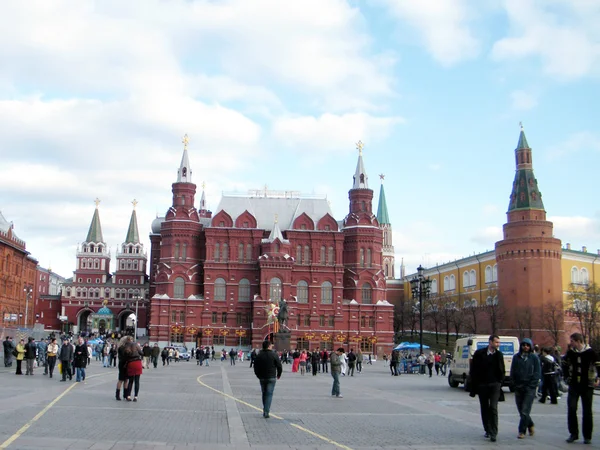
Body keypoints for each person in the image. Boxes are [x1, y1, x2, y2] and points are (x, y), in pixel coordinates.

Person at [564, 332, 600, 444]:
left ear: (578, 341)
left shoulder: (590, 352)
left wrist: (598, 378)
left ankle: (587, 436)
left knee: (587, 410)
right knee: (571, 408)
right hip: (574, 385)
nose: (571, 343)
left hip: (587, 385)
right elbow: (564, 364)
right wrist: (566, 377)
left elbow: (598, 365)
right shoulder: (570, 353)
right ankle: (573, 433)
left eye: (572, 341)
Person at [469, 335, 505, 443]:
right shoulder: (479, 354)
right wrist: (475, 384)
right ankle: (487, 429)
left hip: (495, 385)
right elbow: (474, 369)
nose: (498, 344)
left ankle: (494, 432)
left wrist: (500, 382)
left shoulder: (499, 355)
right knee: (484, 407)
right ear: (490, 342)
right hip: (482, 385)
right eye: (496, 342)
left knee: (493, 407)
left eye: (499, 342)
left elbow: (502, 369)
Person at [510, 338, 540, 439]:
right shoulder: (516, 357)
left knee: (525, 410)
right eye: (523, 345)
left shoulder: (534, 358)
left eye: (527, 345)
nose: (525, 347)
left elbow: (537, 372)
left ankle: (521, 431)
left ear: (530, 346)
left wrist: (532, 385)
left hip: (529, 388)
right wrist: (514, 383)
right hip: (519, 387)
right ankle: (530, 424)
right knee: (521, 410)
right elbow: (513, 371)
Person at [253, 340, 282, 418]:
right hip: (271, 377)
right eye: (271, 345)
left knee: (264, 393)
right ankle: (266, 411)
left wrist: (257, 375)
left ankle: (265, 409)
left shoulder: (259, 355)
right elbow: (279, 366)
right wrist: (279, 374)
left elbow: (255, 366)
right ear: (269, 346)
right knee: (269, 394)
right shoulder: (274, 354)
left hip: (262, 377)